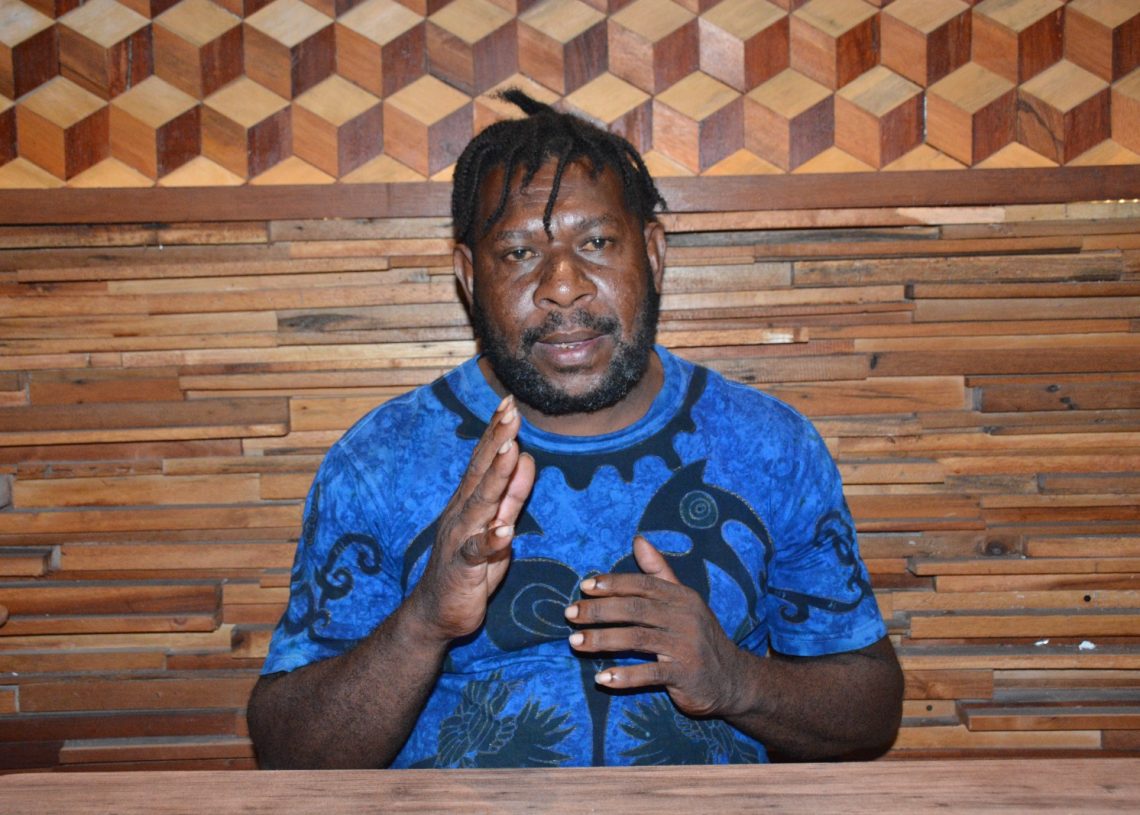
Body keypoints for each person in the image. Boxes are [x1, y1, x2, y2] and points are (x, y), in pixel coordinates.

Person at [246, 90, 903, 770]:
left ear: (652, 253)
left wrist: (736, 680)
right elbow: (289, 753)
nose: (563, 285)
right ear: (469, 277)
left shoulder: (770, 446)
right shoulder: (380, 461)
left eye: (596, 243)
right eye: (518, 252)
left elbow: (871, 712)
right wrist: (424, 621)